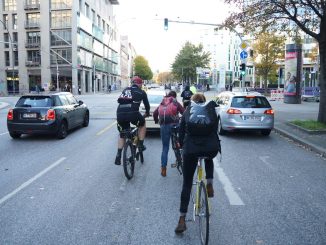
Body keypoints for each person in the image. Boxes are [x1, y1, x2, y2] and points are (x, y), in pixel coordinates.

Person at [175, 93, 221, 234]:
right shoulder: (210, 111)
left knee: (187, 184)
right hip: (209, 148)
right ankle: (209, 183)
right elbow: (215, 131)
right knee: (208, 158)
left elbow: (181, 131)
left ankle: (182, 220)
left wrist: (182, 145)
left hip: (191, 149)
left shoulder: (188, 110)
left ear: (193, 102)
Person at [115, 76, 150, 165]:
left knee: (122, 134)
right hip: (133, 113)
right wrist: (147, 113)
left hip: (120, 114)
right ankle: (141, 145)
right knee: (142, 124)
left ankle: (118, 155)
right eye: (141, 84)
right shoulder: (142, 92)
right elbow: (147, 106)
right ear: (139, 84)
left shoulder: (126, 89)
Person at [153, 90, 185, 177]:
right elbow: (184, 112)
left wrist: (156, 121)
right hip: (175, 126)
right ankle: (180, 156)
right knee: (178, 143)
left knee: (165, 147)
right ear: (174, 96)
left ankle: (163, 169)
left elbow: (155, 113)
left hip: (164, 126)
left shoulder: (162, 102)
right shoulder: (175, 102)